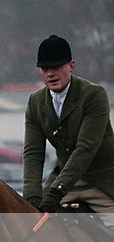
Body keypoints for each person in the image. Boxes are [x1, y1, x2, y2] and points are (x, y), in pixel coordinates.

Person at [23, 35, 114, 226]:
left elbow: (86, 148)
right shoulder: (35, 102)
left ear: (71, 66)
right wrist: (32, 198)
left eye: (56, 67)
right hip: (63, 183)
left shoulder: (94, 95)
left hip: (102, 184)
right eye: (45, 69)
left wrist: (57, 190)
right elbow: (33, 153)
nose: (50, 74)